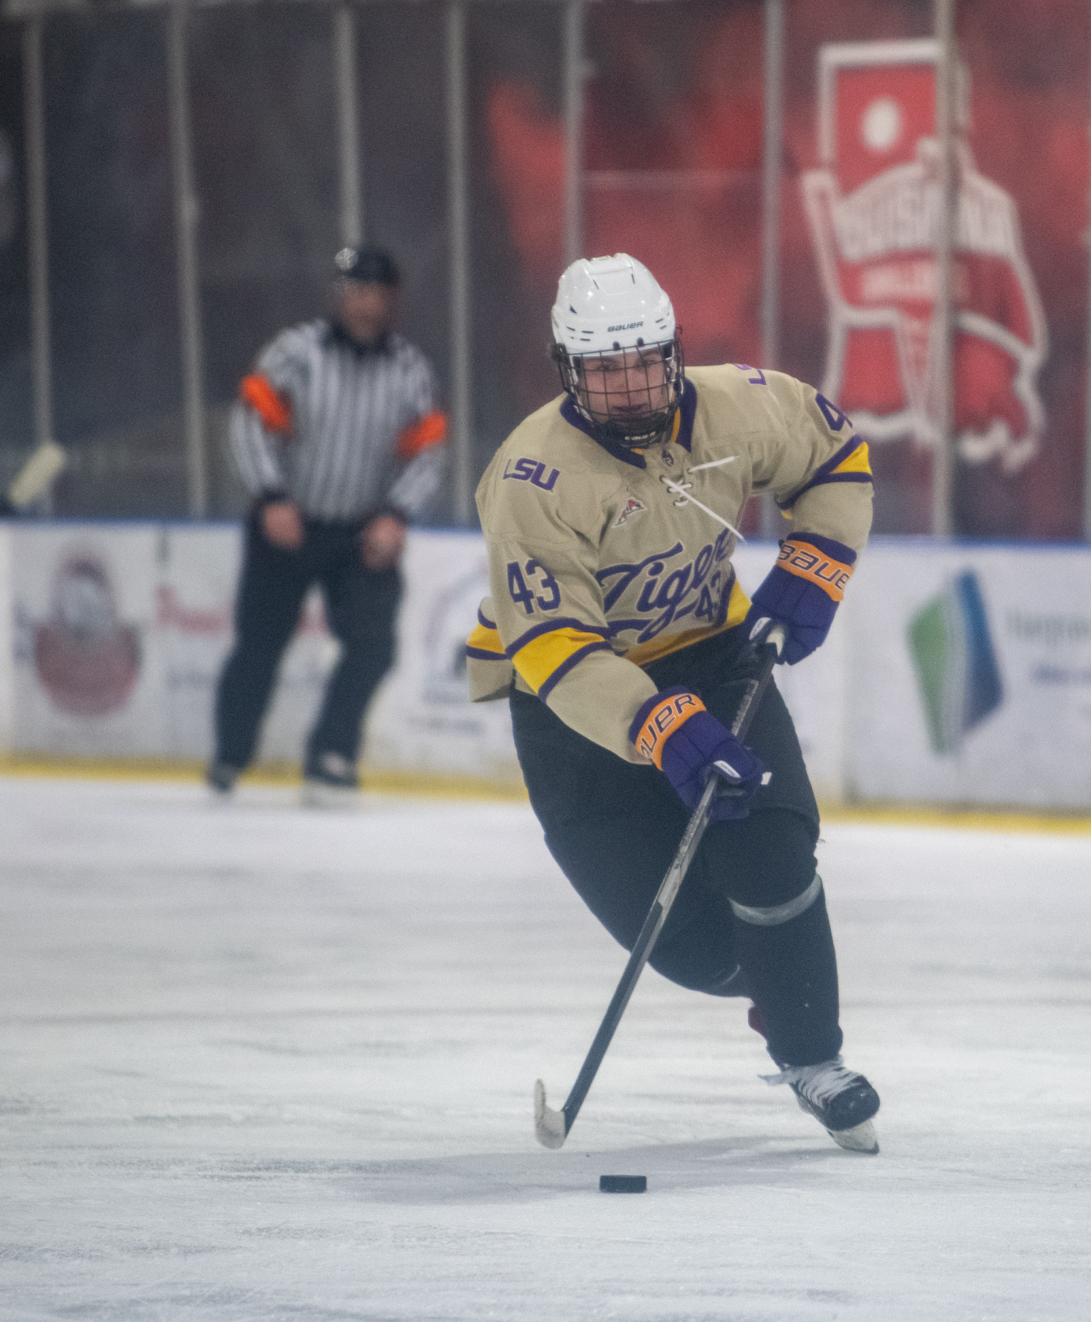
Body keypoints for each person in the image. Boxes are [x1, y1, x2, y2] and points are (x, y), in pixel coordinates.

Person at [467, 254, 881, 1151]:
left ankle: (815, 1056)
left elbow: (836, 452)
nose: (627, 388)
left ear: (674, 351)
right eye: (602, 371)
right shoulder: (531, 479)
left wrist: (818, 562)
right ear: (568, 372)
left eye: (644, 363)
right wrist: (654, 721)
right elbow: (551, 646)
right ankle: (772, 984)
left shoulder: (740, 404)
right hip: (572, 707)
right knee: (703, 952)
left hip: (713, 654)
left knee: (771, 847)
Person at [211, 247, 446, 805]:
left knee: (373, 646)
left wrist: (395, 514)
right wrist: (270, 496)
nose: (364, 303)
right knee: (259, 645)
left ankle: (331, 754)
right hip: (286, 523)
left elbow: (428, 452)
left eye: (376, 292)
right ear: (337, 295)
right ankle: (230, 756)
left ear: (393, 300)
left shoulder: (410, 369)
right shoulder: (296, 352)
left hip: (360, 534)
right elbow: (249, 425)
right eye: (354, 290)